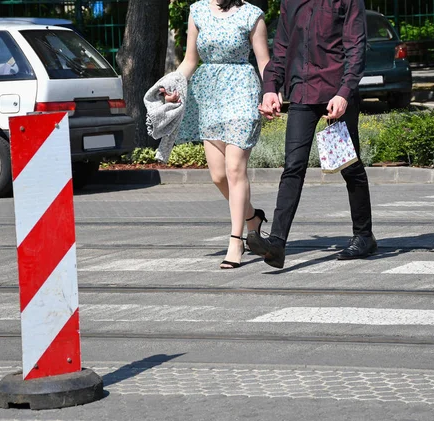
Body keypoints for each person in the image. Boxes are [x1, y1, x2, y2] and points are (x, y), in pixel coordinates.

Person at [247, 0, 376, 269]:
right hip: (302, 93)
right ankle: (277, 244)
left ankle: (364, 235)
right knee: (293, 166)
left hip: (337, 93)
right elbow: (281, 48)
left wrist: (344, 93)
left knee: (348, 166)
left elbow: (355, 48)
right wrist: (271, 87)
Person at [161, 0, 271, 269]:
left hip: (242, 93)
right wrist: (173, 86)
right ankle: (252, 218)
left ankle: (236, 241)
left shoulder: (251, 15)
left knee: (235, 170)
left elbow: (264, 62)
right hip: (207, 96)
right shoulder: (197, 11)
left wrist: (270, 93)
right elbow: (189, 61)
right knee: (218, 176)